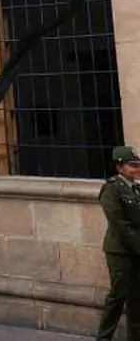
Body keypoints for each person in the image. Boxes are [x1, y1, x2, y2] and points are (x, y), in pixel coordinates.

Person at [96, 145, 140, 340]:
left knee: (137, 298)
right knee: (118, 296)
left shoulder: (136, 189)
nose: (137, 169)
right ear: (119, 167)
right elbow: (119, 223)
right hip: (120, 251)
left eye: (138, 165)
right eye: (133, 165)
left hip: (136, 250)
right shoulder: (111, 188)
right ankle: (104, 337)